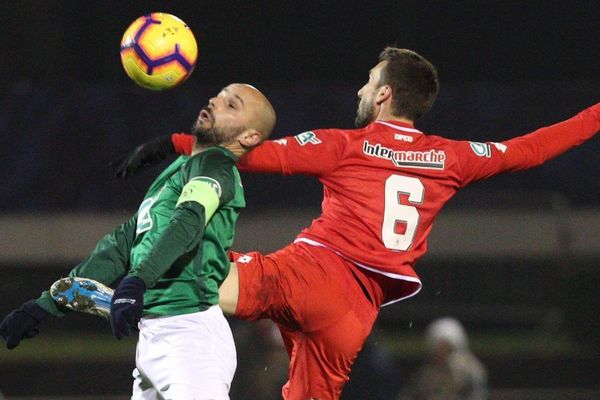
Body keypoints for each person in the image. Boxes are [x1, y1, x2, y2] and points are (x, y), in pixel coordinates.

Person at [72, 48, 600, 399]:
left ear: (386, 94)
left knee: (191, 266)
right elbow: (532, 149)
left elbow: (254, 152)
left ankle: (124, 297)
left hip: (315, 273)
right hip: (355, 316)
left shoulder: (347, 145)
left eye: (369, 82)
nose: (361, 90)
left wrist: (174, 143)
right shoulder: (454, 157)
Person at [0, 83, 276, 400]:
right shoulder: (179, 169)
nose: (215, 101)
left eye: (232, 105)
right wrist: (43, 306)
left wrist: (137, 281)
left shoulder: (217, 166)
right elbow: (122, 243)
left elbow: (189, 221)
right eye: (219, 95)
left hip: (190, 336)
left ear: (250, 137)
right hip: (153, 336)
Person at [397, 317, 487, 400]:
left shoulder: (471, 371)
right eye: (440, 347)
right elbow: (411, 393)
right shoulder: (428, 371)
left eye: (447, 347)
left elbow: (476, 394)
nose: (443, 351)